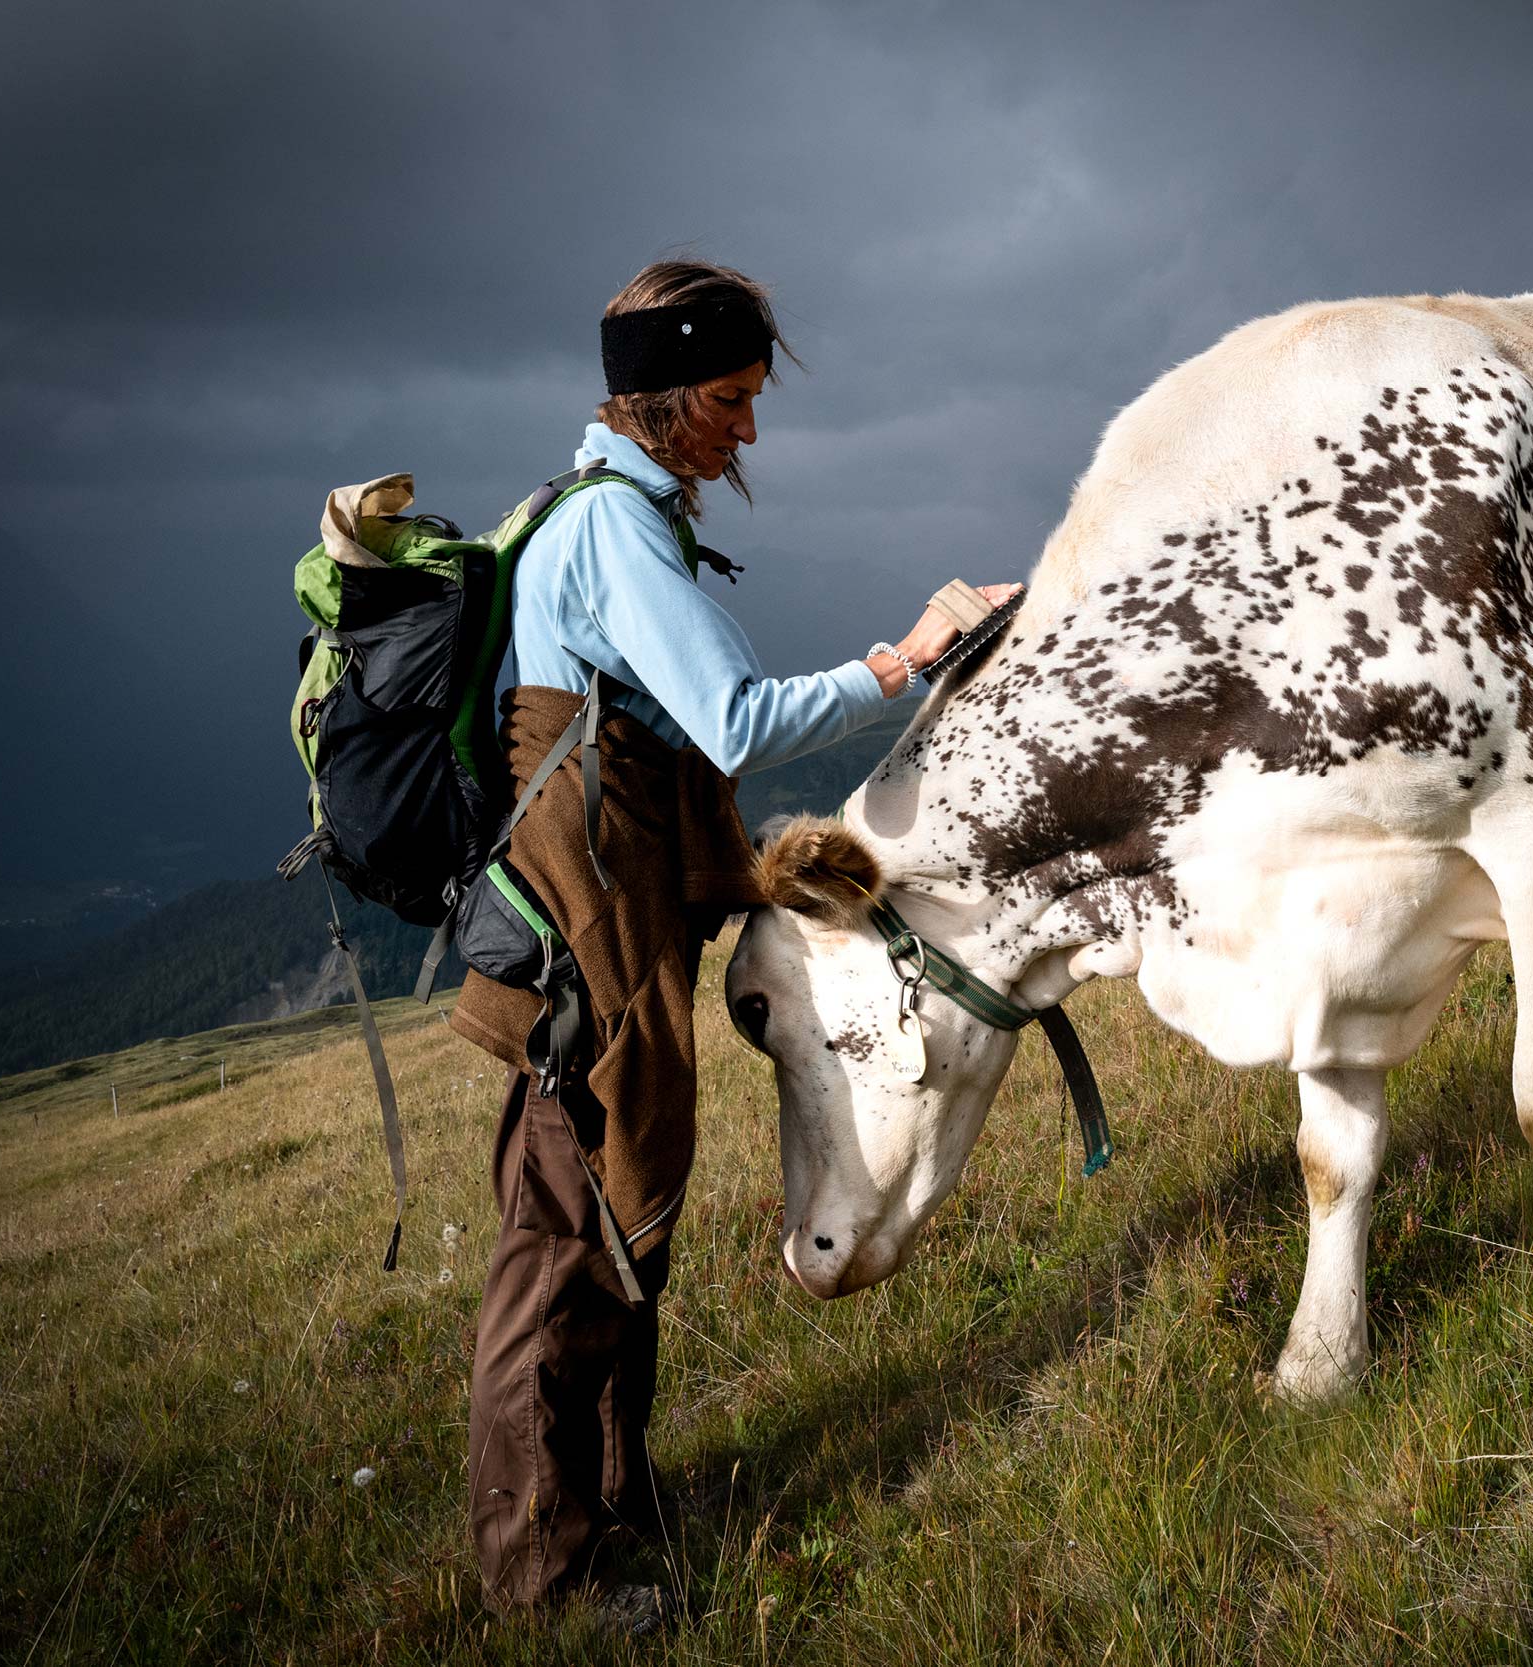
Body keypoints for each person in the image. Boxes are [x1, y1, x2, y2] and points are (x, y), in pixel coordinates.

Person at [448, 258, 1015, 1621]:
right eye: (731, 399)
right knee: (566, 1234)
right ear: (658, 396)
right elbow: (739, 721)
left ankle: (613, 1503)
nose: (747, 431)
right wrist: (906, 660)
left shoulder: (601, 515)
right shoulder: (612, 532)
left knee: (595, 1205)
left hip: (599, 916)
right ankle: (546, 1571)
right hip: (586, 934)